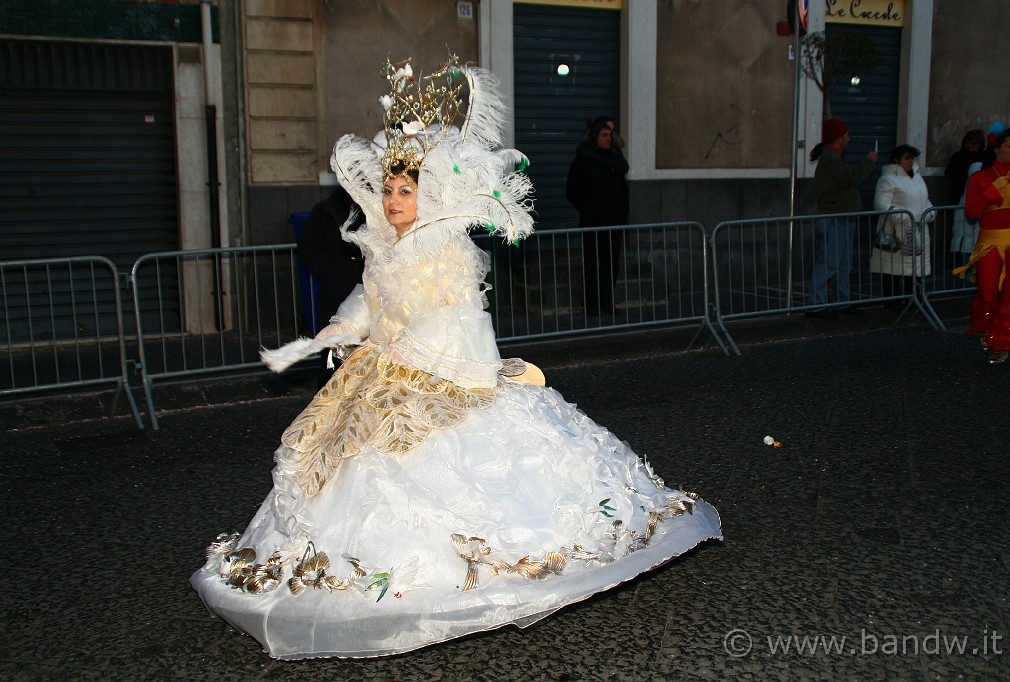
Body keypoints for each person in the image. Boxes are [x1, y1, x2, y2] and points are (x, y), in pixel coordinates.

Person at [190, 57, 721, 660]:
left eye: (404, 190)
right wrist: (346, 324)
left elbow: (462, 316)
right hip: (379, 376)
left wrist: (413, 356)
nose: (393, 200)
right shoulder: (379, 243)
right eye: (388, 190)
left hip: (439, 374)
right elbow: (371, 295)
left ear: (426, 192)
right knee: (343, 467)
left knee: (442, 472)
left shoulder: (446, 249)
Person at [955, 127, 1010, 365]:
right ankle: (986, 327)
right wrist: (992, 191)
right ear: (997, 149)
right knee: (986, 291)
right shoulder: (980, 177)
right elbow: (972, 213)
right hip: (990, 242)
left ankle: (1001, 344)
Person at [806, 118, 878, 319]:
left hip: (843, 216)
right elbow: (851, 178)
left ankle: (841, 301)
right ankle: (816, 304)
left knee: (843, 264)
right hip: (835, 217)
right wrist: (868, 162)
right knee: (829, 262)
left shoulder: (833, 158)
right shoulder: (830, 159)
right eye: (846, 136)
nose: (849, 140)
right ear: (838, 139)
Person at [296, 186, 365, 388]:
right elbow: (308, 250)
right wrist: (334, 267)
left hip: (365, 289)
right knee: (333, 356)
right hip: (337, 292)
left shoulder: (371, 209)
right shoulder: (325, 211)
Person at [566, 116, 630, 315]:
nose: (608, 138)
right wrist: (589, 210)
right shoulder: (583, 161)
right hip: (593, 222)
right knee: (593, 264)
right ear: (595, 137)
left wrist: (621, 214)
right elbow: (573, 191)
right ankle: (592, 304)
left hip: (613, 223)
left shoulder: (615, 161)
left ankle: (607, 301)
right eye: (604, 135)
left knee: (610, 264)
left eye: (610, 135)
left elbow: (622, 190)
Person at [869, 145, 933, 310]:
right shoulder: (888, 179)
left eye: (913, 158)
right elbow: (881, 204)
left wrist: (930, 213)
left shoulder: (917, 177)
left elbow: (925, 200)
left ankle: (916, 298)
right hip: (897, 230)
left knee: (916, 266)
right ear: (897, 160)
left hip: (918, 229)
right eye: (907, 158)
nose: (911, 161)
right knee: (894, 267)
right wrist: (906, 215)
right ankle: (893, 300)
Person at [944, 129, 985, 205]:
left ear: (980, 145)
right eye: (968, 143)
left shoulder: (984, 158)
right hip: (959, 194)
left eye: (974, 143)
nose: (970, 145)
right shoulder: (958, 157)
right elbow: (949, 173)